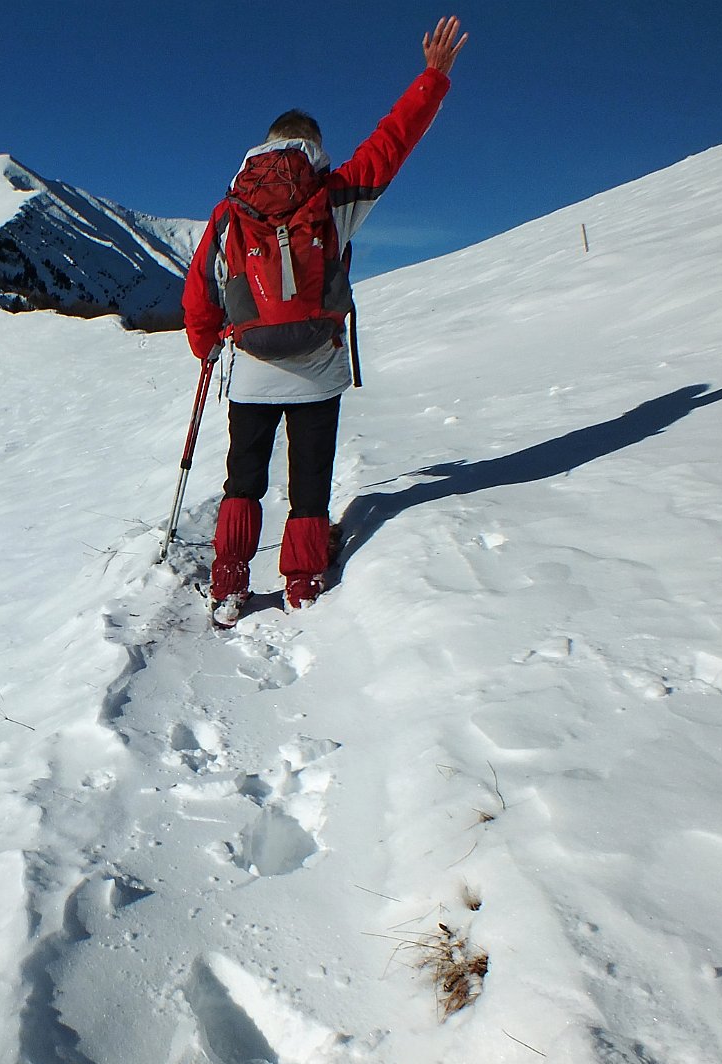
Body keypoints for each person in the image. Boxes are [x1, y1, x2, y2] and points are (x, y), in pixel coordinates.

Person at [183, 16, 468, 626]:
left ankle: (230, 584)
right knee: (309, 477)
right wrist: (433, 79)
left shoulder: (229, 211)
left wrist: (208, 346)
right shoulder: (334, 196)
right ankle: (303, 581)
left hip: (252, 367)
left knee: (244, 477)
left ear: (265, 146)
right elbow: (392, 142)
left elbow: (198, 291)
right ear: (314, 148)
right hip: (317, 366)